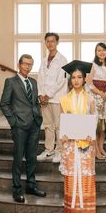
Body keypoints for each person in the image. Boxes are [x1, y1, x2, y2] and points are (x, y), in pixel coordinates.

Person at [0, 54, 46, 203]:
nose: (28, 67)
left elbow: (34, 103)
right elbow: (4, 104)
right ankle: (17, 189)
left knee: (32, 157)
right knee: (18, 158)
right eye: (25, 64)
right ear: (19, 65)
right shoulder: (11, 82)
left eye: (30, 64)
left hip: (34, 124)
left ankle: (31, 186)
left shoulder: (33, 82)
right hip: (19, 126)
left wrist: (37, 115)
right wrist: (14, 121)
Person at [59, 60, 96, 213]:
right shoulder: (64, 100)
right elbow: (62, 122)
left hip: (86, 145)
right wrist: (64, 135)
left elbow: (93, 121)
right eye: (73, 77)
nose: (76, 80)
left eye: (79, 77)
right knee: (72, 177)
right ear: (70, 80)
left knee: (85, 178)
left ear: (84, 79)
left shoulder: (90, 99)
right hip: (70, 147)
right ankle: (72, 212)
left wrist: (91, 133)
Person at [37, 32, 67, 163]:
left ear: (57, 42)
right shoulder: (44, 60)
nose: (50, 43)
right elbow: (40, 79)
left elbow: (61, 81)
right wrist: (40, 95)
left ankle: (59, 151)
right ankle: (49, 149)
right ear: (45, 43)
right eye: (47, 41)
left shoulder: (62, 59)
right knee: (48, 125)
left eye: (52, 41)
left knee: (59, 125)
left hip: (56, 98)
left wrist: (48, 95)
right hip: (44, 99)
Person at [87, 42, 106, 160]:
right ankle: (96, 150)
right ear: (96, 53)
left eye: (103, 50)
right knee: (96, 126)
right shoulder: (93, 65)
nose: (101, 52)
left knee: (104, 126)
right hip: (97, 99)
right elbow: (89, 83)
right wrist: (101, 94)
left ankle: (101, 148)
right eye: (99, 50)